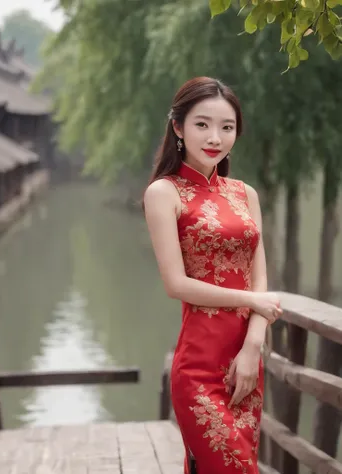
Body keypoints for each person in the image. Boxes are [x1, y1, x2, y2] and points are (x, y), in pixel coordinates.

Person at [143, 77, 282, 474]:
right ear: (178, 127)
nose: (215, 137)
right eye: (202, 124)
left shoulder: (245, 194)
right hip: (200, 368)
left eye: (227, 127)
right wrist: (251, 301)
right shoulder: (164, 194)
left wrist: (254, 345)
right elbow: (176, 284)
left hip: (246, 360)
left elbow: (260, 278)